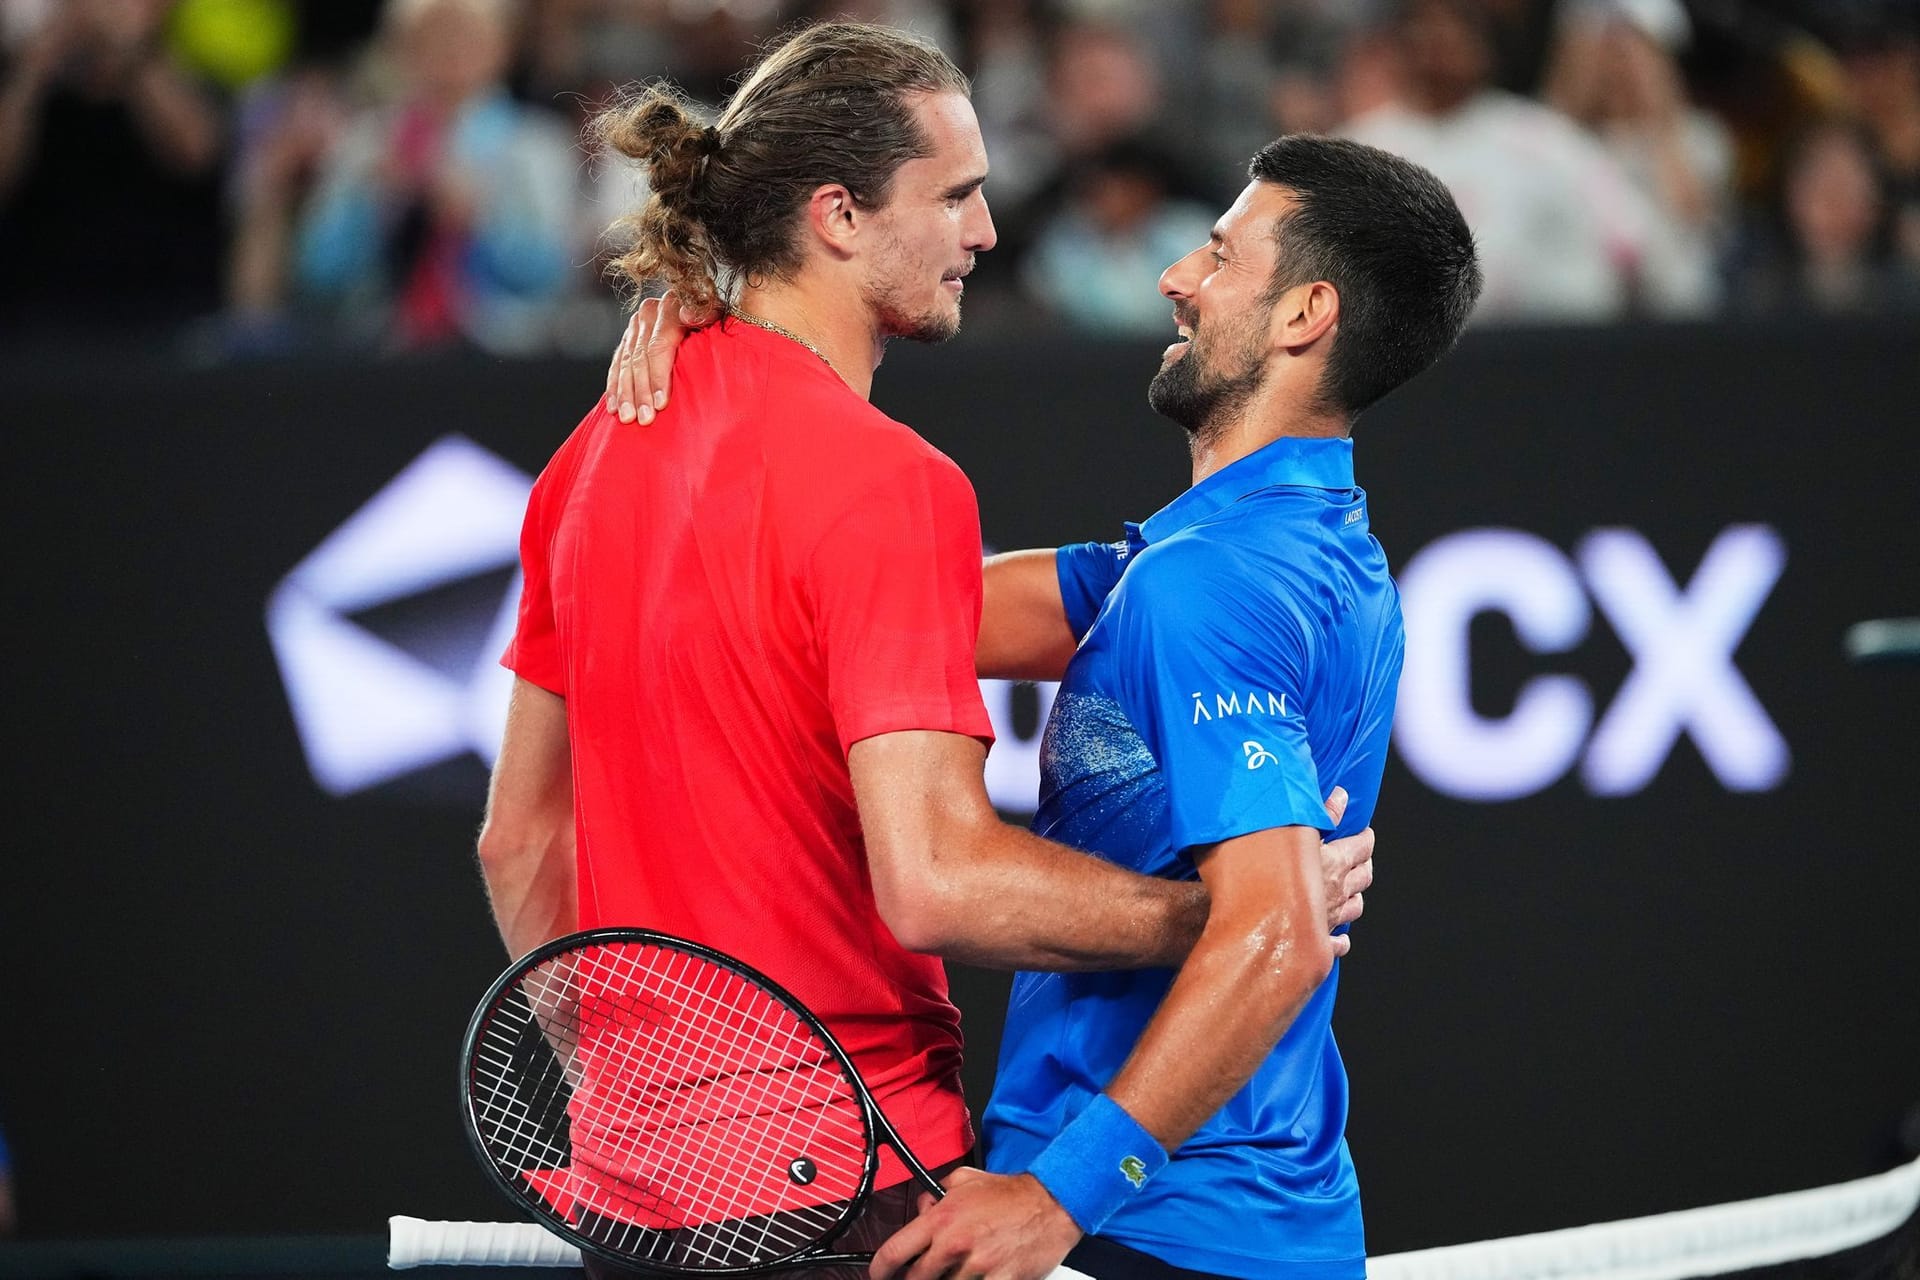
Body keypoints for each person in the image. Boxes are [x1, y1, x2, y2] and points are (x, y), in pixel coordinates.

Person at [478, 22, 1376, 1280]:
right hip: (846, 1184)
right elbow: (937, 877)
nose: (987, 233)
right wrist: (1220, 920)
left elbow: (518, 839)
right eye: (955, 195)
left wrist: (637, 1093)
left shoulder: (586, 462)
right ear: (838, 215)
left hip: (634, 1194)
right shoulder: (892, 484)